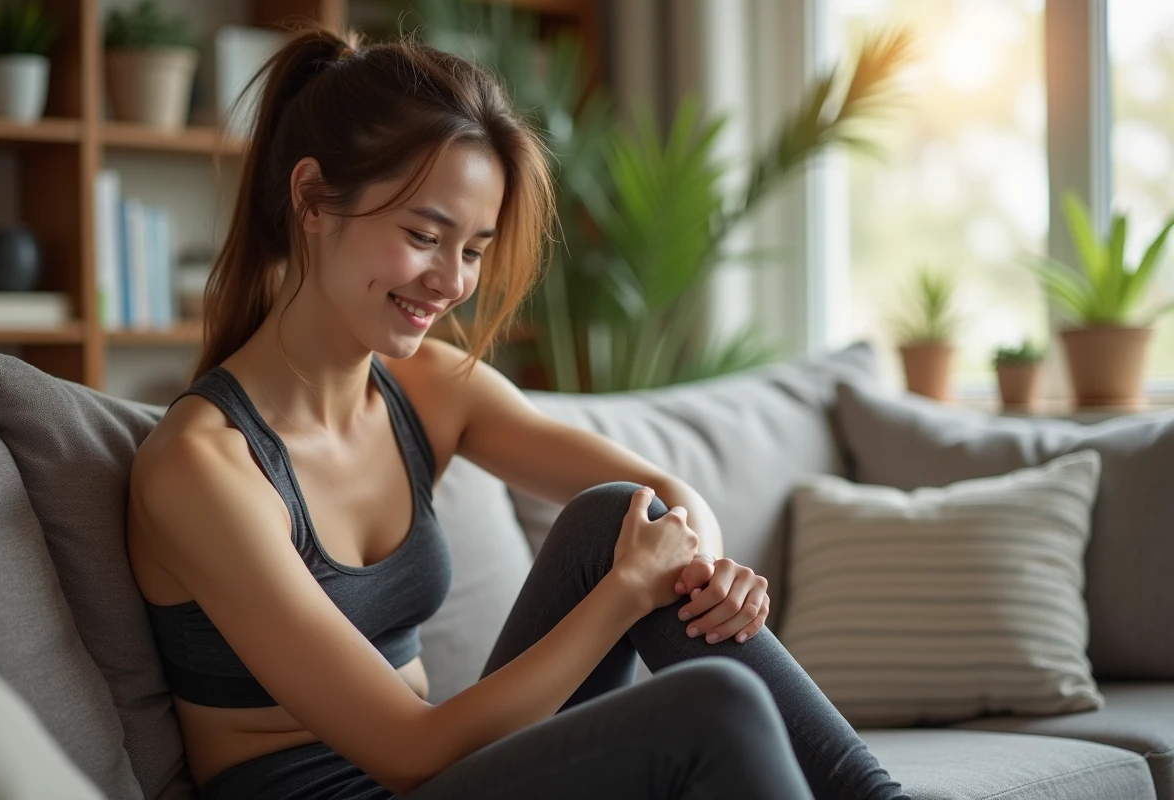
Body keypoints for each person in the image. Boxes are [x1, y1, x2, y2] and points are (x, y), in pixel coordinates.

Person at [126, 27, 911, 800]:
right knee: (718, 708)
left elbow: (661, 493)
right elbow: (408, 750)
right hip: (385, 778)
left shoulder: (426, 386)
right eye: (423, 235)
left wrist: (703, 564)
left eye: (472, 250)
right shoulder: (204, 467)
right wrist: (624, 595)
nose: (451, 282)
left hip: (447, 779)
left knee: (616, 515)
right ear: (311, 199)